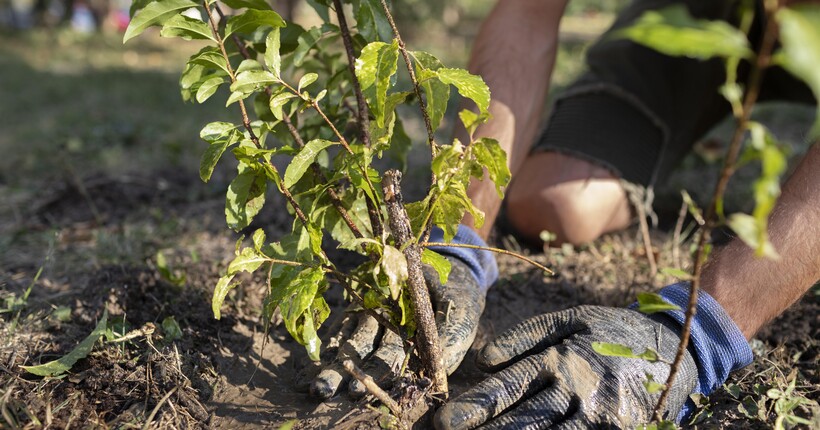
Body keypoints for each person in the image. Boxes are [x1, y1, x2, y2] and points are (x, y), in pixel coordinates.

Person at [302, 0, 819, 428]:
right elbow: (527, 14)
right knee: (554, 205)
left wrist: (699, 330)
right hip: (695, 16)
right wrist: (454, 235)